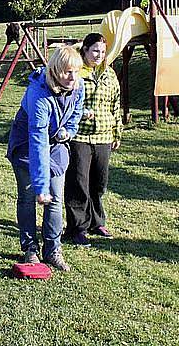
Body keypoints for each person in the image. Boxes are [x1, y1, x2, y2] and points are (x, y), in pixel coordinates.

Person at [6, 46, 85, 271]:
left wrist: (69, 130)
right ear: (55, 71)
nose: (73, 78)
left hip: (56, 145)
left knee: (55, 199)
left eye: (76, 72)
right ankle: (30, 248)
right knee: (29, 196)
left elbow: (76, 113)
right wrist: (41, 186)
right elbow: (38, 140)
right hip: (27, 146)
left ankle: (53, 249)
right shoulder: (38, 94)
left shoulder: (78, 86)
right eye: (68, 72)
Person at [63, 33, 122, 247]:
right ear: (85, 50)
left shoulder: (109, 74)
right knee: (78, 182)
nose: (99, 55)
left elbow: (116, 104)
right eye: (95, 50)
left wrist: (117, 132)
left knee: (99, 183)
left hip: (104, 136)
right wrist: (80, 114)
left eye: (102, 52)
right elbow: (65, 100)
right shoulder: (75, 73)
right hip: (79, 135)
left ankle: (97, 222)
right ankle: (77, 227)